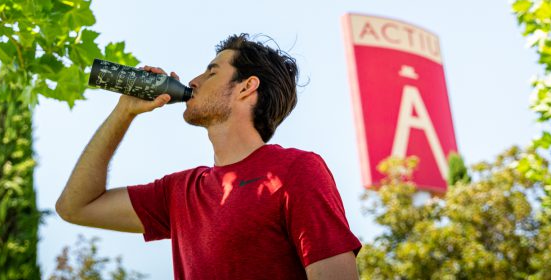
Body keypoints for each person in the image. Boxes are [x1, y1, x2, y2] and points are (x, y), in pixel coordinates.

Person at [56, 34, 361, 279]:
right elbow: (76, 207)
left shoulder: (295, 170)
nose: (193, 81)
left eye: (211, 72)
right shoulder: (180, 193)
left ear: (246, 87)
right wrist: (124, 112)